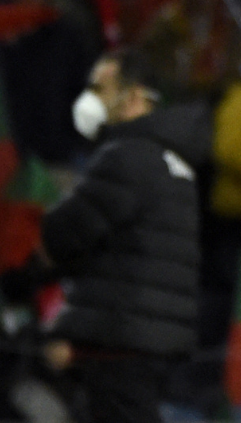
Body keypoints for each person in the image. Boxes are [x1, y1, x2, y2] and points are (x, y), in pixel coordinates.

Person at [41, 50, 210, 423]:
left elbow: (64, 234)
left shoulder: (127, 156)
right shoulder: (172, 160)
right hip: (148, 336)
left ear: (133, 97)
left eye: (101, 89)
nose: (90, 99)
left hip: (121, 338)